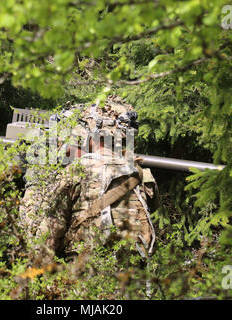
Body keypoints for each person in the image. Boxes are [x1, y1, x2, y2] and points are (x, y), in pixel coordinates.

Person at [18, 95, 160, 264]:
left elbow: (43, 243)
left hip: (85, 279)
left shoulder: (76, 173)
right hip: (133, 280)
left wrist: (35, 181)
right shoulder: (141, 174)